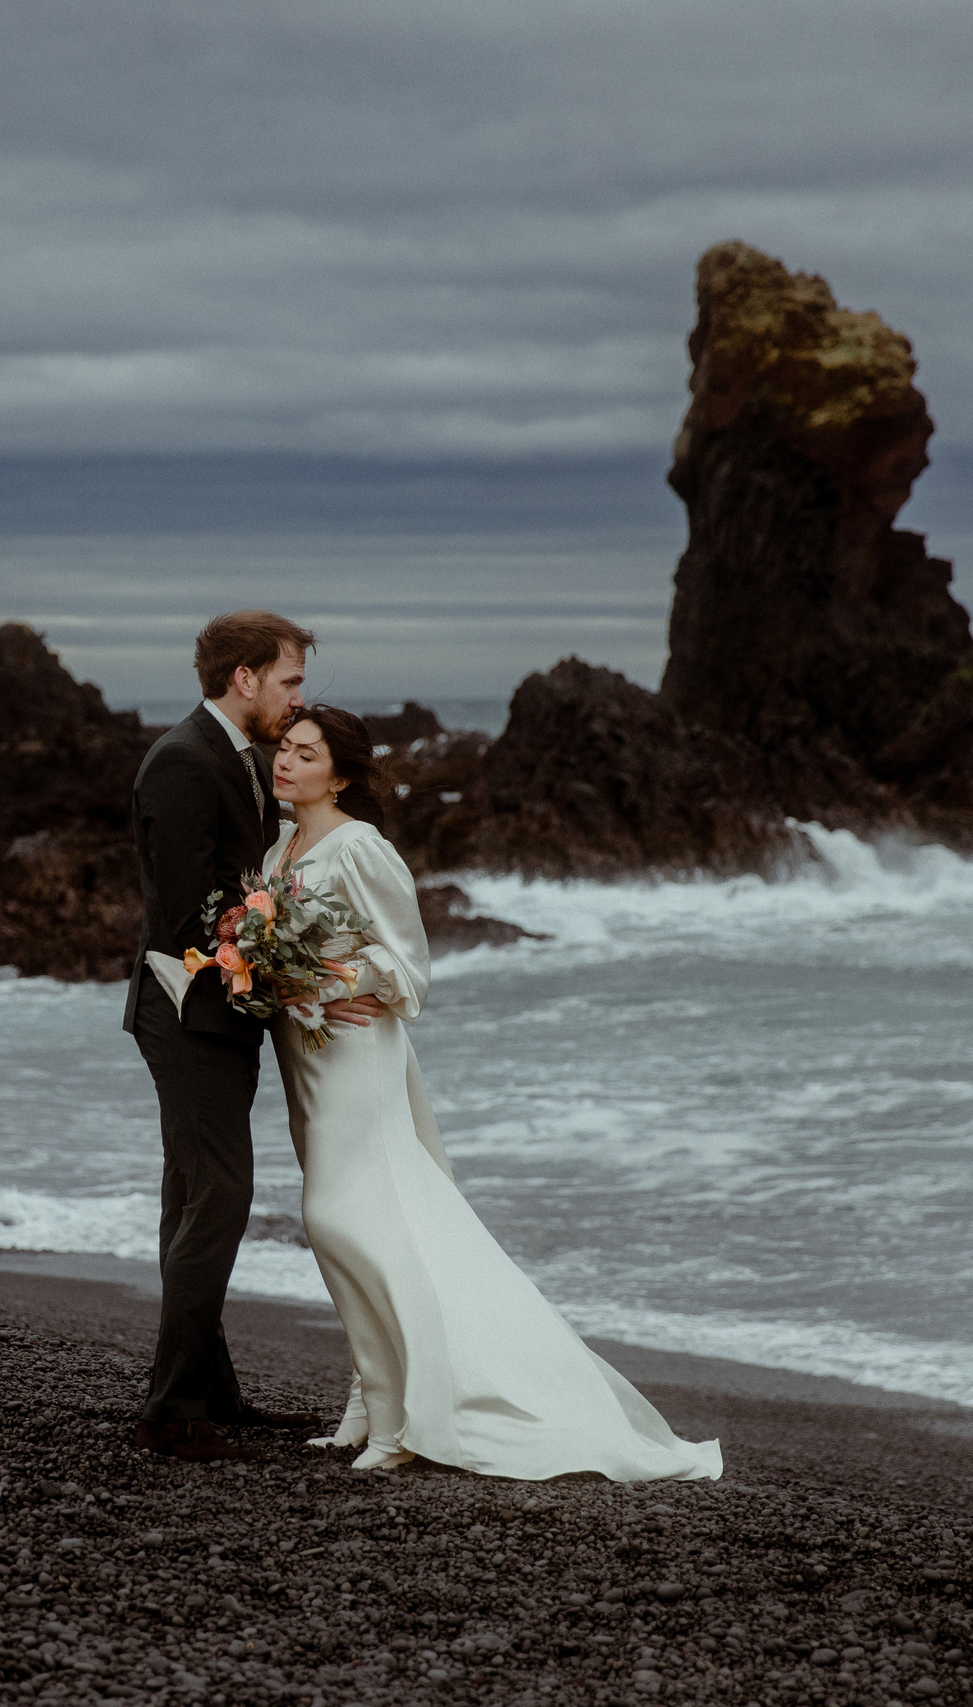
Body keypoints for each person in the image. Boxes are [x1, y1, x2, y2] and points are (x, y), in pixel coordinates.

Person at [266, 704, 725, 1483]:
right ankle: (370, 1402)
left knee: (345, 1218)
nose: (285, 762)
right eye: (284, 747)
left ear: (339, 775)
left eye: (305, 754)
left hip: (356, 1053)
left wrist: (331, 979)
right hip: (304, 1049)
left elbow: (408, 965)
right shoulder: (281, 844)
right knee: (345, 1221)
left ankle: (412, 1415)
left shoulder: (361, 847)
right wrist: (279, 981)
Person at [123, 614, 388, 1463]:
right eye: (290, 682)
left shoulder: (238, 760)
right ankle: (172, 1410)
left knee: (191, 1195)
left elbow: (241, 889)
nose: (297, 697)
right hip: (187, 1011)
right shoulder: (180, 762)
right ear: (245, 678)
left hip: (223, 1014)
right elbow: (186, 912)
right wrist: (292, 972)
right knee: (221, 1197)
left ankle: (210, 1392)